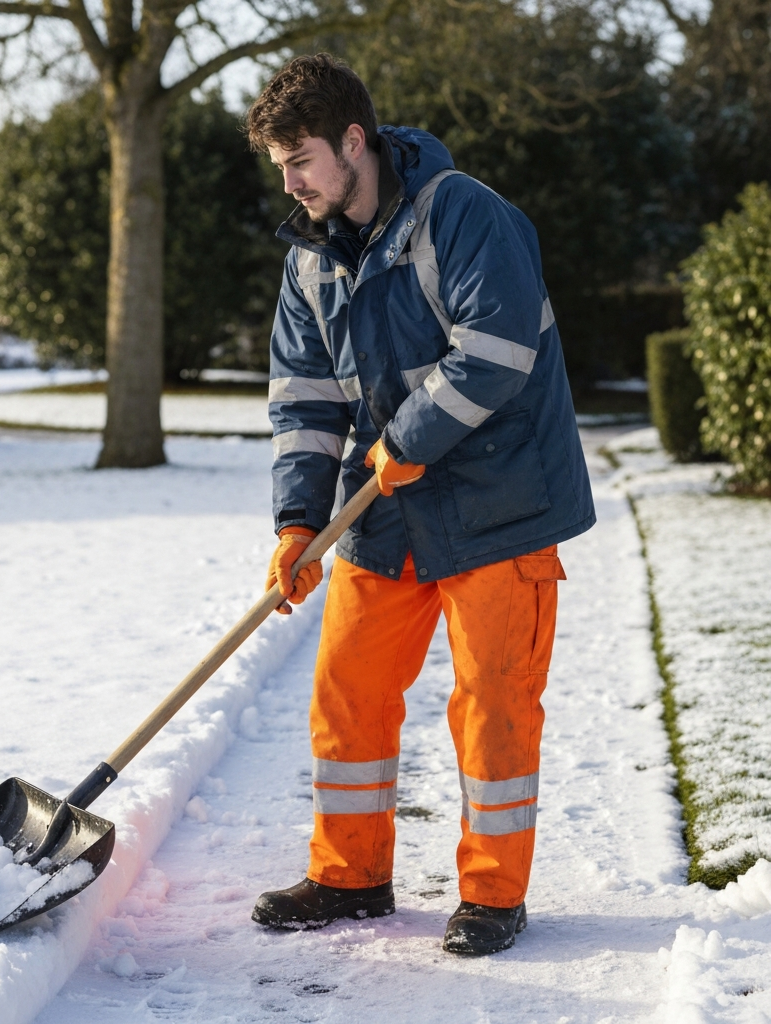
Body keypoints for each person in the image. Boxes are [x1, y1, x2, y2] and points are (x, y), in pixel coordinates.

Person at [244, 54, 595, 955]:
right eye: (281, 165)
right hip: (386, 512)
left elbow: (497, 351)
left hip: (498, 502)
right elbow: (305, 401)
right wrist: (296, 524)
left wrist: (406, 441)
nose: (290, 182)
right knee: (349, 690)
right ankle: (349, 875)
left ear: (354, 141)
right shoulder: (312, 259)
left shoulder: (464, 214)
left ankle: (491, 895)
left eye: (302, 160)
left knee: (494, 702)